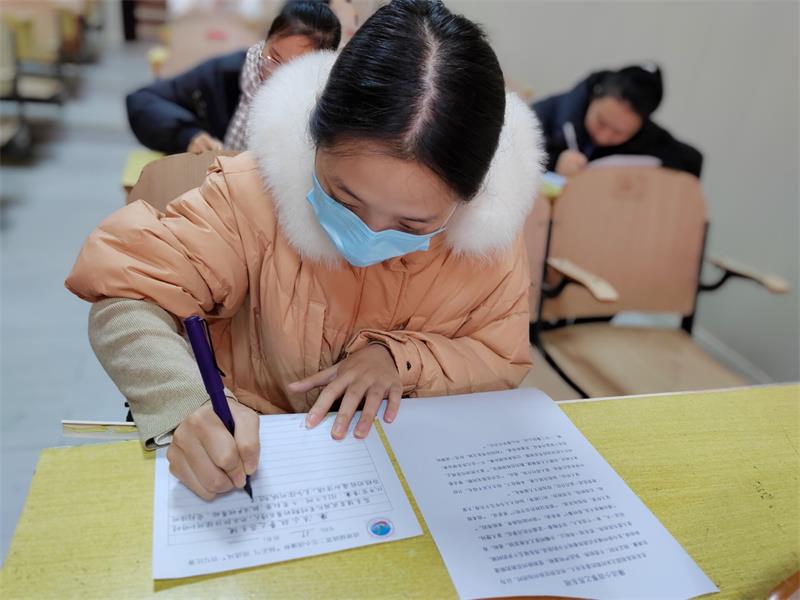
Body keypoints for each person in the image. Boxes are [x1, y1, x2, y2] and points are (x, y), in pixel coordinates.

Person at [66, 0, 543, 501]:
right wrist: (185, 403)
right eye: (344, 199)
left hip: (399, 475)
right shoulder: (255, 194)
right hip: (253, 464)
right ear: (314, 140)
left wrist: (400, 360)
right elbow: (127, 297)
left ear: (469, 200)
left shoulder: (486, 240)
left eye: (412, 223)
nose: (369, 235)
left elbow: (499, 358)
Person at [126, 0, 341, 154]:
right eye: (274, 57)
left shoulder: (325, 109)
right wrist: (188, 136)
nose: (276, 75)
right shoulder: (226, 74)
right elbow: (143, 101)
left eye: (293, 69)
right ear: (266, 40)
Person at [533, 64, 703, 178]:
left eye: (619, 133)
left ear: (639, 127)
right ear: (593, 97)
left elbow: (691, 163)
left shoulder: (648, 138)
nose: (603, 137)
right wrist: (555, 161)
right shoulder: (544, 114)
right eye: (601, 122)